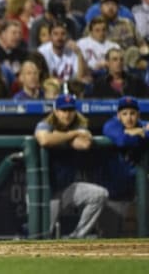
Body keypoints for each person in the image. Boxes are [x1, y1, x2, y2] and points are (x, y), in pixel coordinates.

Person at [35, 94, 109, 238]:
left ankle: (76, 237)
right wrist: (73, 134)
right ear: (56, 111)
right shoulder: (45, 124)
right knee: (42, 236)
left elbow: (84, 144)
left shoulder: (79, 125)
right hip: (43, 193)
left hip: (65, 189)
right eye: (63, 110)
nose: (67, 114)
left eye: (70, 110)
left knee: (99, 195)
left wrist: (58, 136)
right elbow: (44, 139)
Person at [98, 96, 149, 236]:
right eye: (125, 114)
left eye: (132, 113)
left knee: (139, 240)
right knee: (109, 240)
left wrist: (139, 132)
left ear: (138, 115)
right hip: (112, 198)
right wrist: (141, 133)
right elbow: (122, 140)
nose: (129, 118)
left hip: (137, 198)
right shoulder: (111, 125)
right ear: (118, 115)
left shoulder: (142, 124)